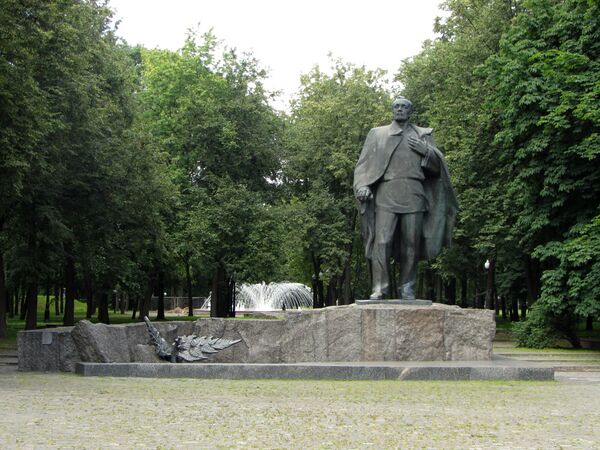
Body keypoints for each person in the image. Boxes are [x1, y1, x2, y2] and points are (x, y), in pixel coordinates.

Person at [354, 97, 457, 300]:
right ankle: (380, 287)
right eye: (396, 106)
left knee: (412, 243)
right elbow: (363, 166)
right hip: (387, 192)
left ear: (410, 111)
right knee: (382, 242)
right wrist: (362, 185)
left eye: (404, 107)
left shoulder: (422, 135)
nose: (399, 109)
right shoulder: (377, 134)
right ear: (392, 110)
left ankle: (407, 287)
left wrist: (426, 152)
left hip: (414, 193)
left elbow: (438, 170)